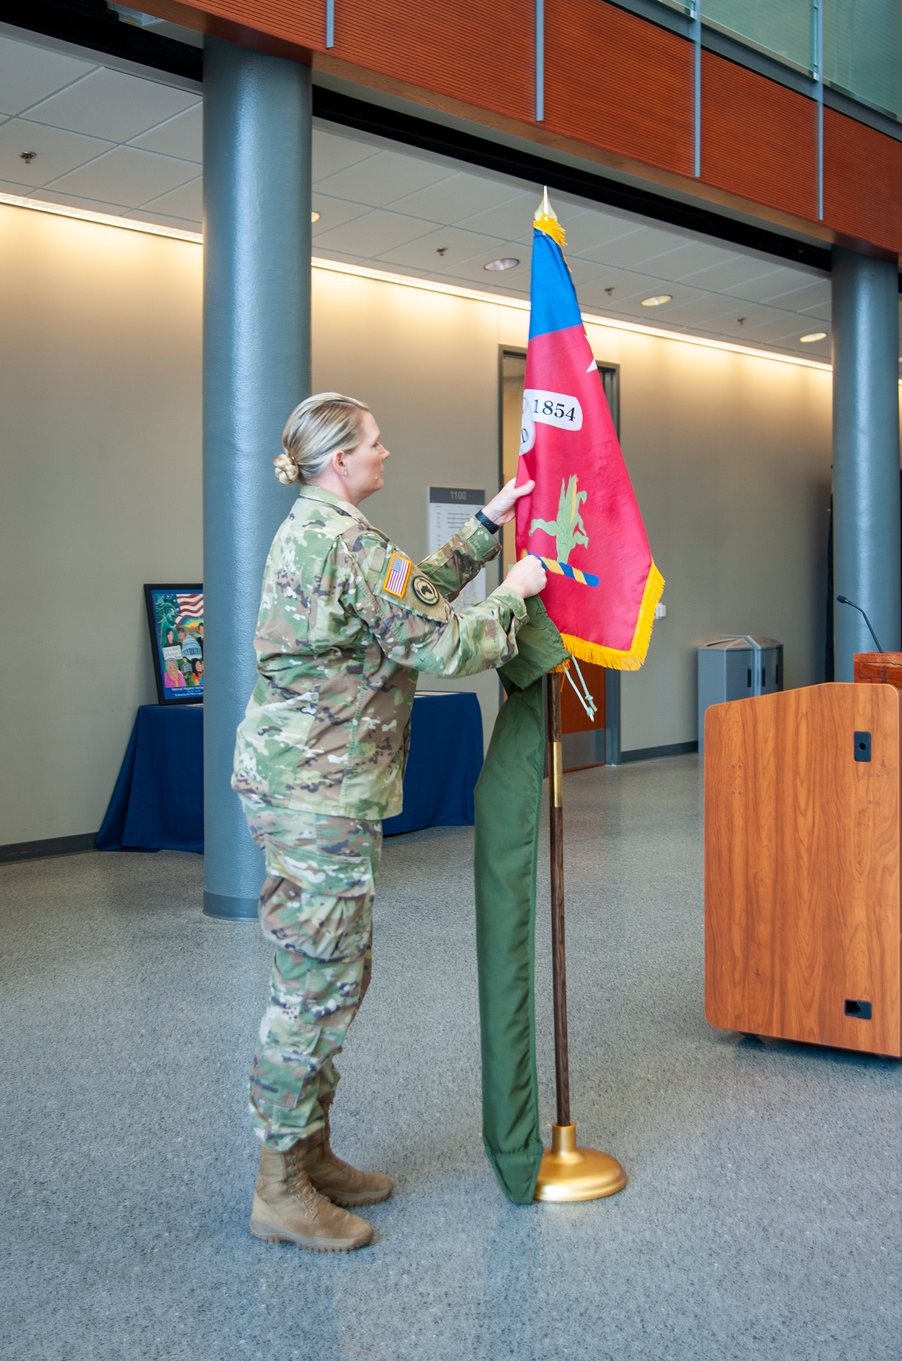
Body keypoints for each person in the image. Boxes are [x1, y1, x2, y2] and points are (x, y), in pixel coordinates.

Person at [232, 391, 547, 1253]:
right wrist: (515, 593)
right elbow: (440, 643)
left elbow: (409, 599)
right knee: (314, 986)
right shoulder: (344, 541)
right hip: (317, 793)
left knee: (337, 973)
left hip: (311, 784)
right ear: (340, 460)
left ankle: (310, 1151)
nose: (385, 451)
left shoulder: (323, 530)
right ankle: (280, 1185)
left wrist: (487, 524)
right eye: (374, 442)